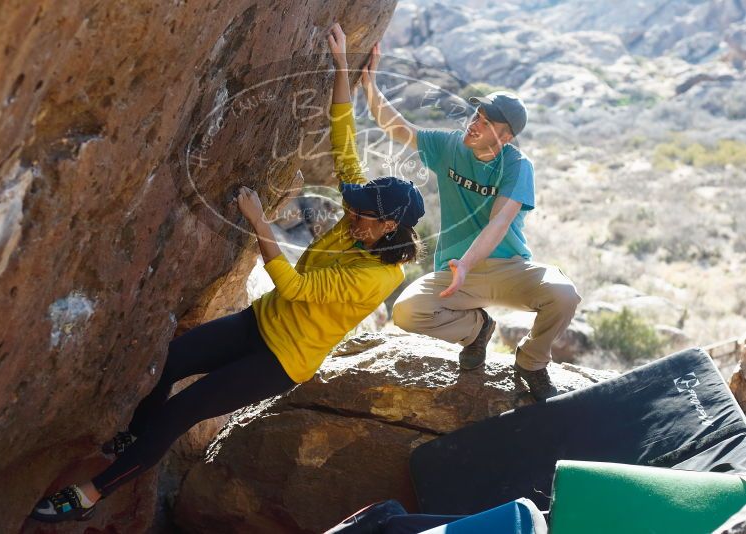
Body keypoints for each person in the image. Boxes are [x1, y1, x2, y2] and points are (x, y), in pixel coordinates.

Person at [30, 23, 424, 523]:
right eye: (355, 205)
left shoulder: (378, 276)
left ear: (389, 225)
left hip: (282, 359)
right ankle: (138, 438)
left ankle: (91, 492)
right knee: (170, 361)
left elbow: (296, 286)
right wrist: (343, 65)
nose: (351, 213)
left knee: (183, 411)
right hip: (260, 321)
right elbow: (342, 128)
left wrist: (259, 221)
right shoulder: (363, 214)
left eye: (363, 214)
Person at [360, 45, 581, 401]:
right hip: (454, 272)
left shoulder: (517, 165)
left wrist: (468, 262)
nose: (474, 124)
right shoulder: (450, 146)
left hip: (507, 267)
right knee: (405, 312)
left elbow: (499, 223)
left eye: (486, 122)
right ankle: (478, 329)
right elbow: (397, 128)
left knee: (564, 294)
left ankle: (532, 360)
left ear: (505, 137)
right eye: (476, 115)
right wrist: (369, 85)